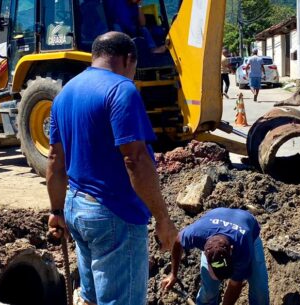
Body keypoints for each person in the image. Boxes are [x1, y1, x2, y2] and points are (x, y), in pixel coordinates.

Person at [46, 31, 178, 305]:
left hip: (76, 208)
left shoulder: (65, 94)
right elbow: (135, 160)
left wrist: (56, 210)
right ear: (129, 59)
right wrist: (163, 219)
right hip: (113, 214)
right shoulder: (121, 90)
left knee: (92, 297)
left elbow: (54, 161)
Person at [161, 208, 269, 305]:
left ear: (231, 251)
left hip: (247, 230)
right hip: (214, 222)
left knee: (260, 291)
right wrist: (173, 274)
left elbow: (235, 285)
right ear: (206, 253)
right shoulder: (196, 234)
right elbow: (178, 241)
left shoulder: (243, 248)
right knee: (209, 290)